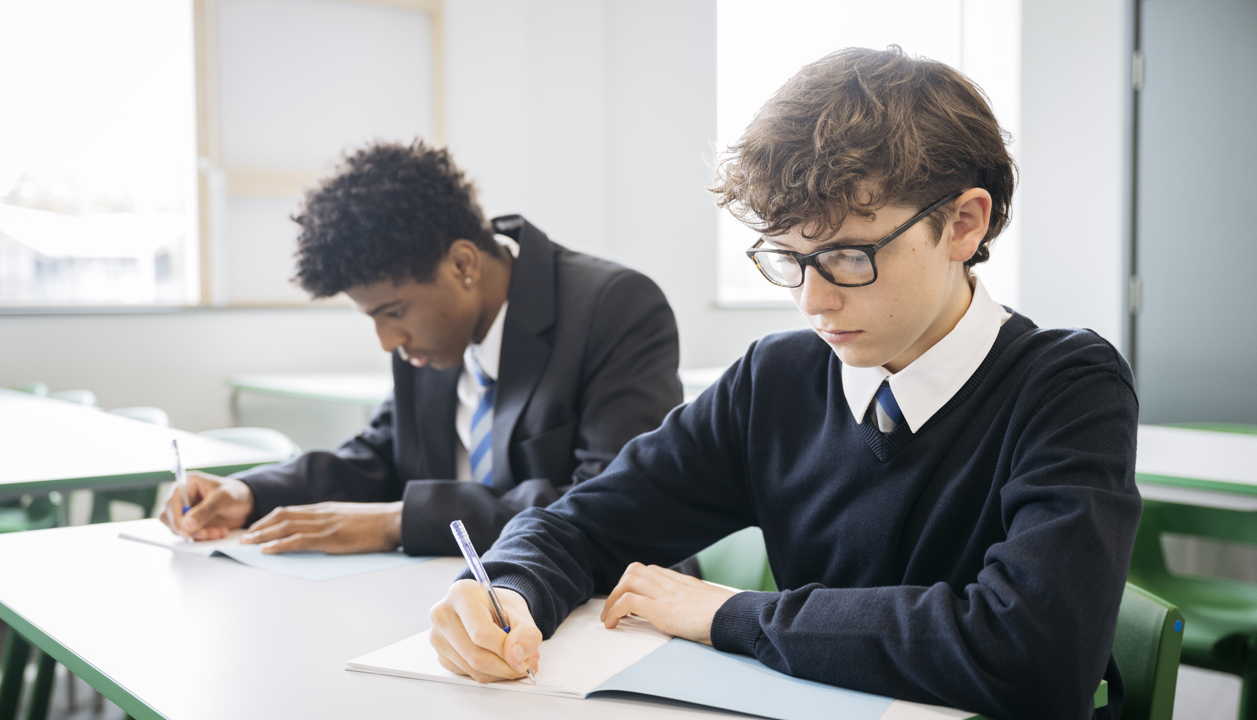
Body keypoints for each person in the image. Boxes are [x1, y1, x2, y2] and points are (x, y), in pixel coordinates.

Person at [427, 46, 1141, 720]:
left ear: (963, 223)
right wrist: (504, 587)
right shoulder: (777, 378)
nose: (814, 300)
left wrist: (730, 614)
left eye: (849, 257)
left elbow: (1037, 653)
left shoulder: (1068, 386)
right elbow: (582, 524)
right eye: (788, 259)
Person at [158, 140, 682, 557]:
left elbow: (614, 501)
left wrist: (398, 522)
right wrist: (250, 493)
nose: (389, 341)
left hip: (606, 602)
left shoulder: (614, 307)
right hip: (455, 595)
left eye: (394, 312)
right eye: (374, 318)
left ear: (462, 265)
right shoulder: (433, 336)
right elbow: (383, 456)